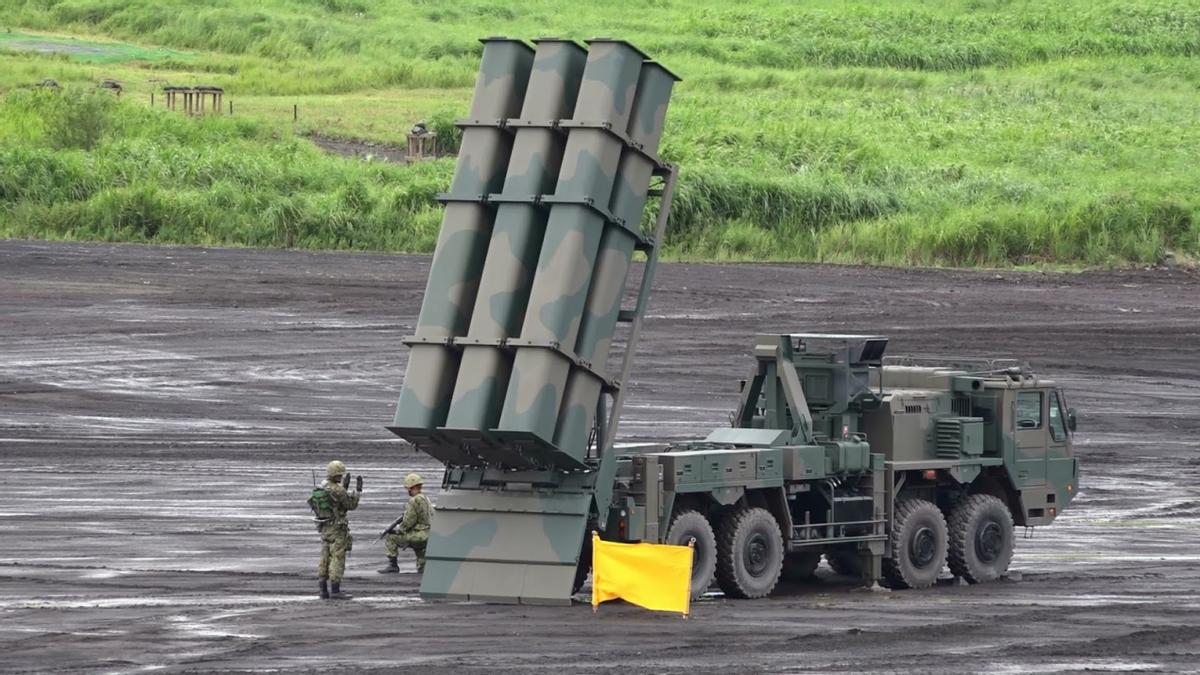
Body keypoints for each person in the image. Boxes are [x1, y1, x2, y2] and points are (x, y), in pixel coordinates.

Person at [312, 460, 361, 600]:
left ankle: (322, 589)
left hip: (325, 526)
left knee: (324, 557)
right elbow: (350, 505)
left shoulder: (322, 485)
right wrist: (357, 492)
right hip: (337, 528)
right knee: (337, 558)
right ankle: (335, 590)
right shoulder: (338, 490)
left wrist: (344, 488)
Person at [377, 473, 433, 574]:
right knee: (421, 556)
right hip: (429, 535)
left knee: (390, 538)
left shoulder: (414, 500)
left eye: (408, 488)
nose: (408, 491)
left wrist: (399, 531)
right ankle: (423, 569)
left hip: (418, 536)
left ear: (413, 487)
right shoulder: (426, 499)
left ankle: (393, 565)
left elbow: (408, 521)